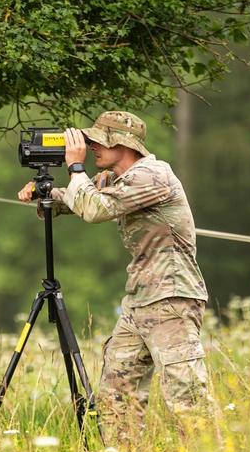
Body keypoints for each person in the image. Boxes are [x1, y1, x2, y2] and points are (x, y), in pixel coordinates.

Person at [17, 110, 213, 427]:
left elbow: (94, 209)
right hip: (139, 302)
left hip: (170, 298)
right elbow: (78, 198)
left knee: (187, 397)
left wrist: (75, 166)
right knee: (116, 398)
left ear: (122, 143)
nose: (91, 146)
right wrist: (44, 194)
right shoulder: (118, 178)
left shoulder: (153, 176)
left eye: (99, 141)